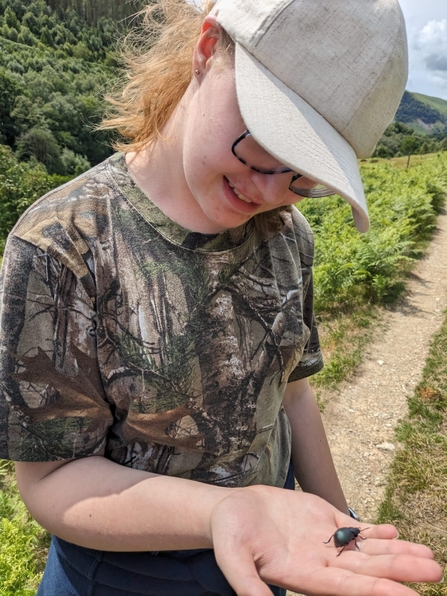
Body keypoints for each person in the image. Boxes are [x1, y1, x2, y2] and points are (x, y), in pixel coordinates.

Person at [0, 0, 442, 594]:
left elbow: (292, 391)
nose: (268, 189)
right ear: (208, 50)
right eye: (262, 139)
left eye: (304, 176)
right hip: (121, 574)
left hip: (273, 550)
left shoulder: (287, 236)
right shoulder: (63, 247)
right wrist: (221, 515)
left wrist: (346, 527)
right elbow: (51, 479)